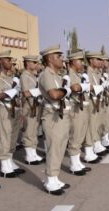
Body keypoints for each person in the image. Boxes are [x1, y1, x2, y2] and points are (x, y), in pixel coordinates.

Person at [39, 45, 71, 195]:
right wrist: (67, 90)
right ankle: (50, 179)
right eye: (58, 56)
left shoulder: (57, 75)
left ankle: (55, 177)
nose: (61, 59)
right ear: (50, 59)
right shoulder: (47, 74)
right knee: (54, 147)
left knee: (60, 146)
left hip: (60, 115)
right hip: (52, 116)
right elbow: (54, 95)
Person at [0, 50, 25, 178]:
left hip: (15, 110)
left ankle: (10, 161)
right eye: (7, 60)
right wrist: (12, 91)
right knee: (5, 136)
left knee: (13, 136)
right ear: (0, 61)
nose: (10, 62)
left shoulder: (11, 78)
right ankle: (5, 166)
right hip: (4, 110)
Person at [20, 55, 45, 165]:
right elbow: (26, 92)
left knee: (34, 130)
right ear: (27, 63)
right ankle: (29, 155)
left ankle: (33, 153)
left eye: (37, 63)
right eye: (34, 63)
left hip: (36, 105)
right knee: (29, 130)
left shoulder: (33, 75)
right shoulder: (24, 76)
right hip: (29, 106)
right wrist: (40, 91)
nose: (36, 65)